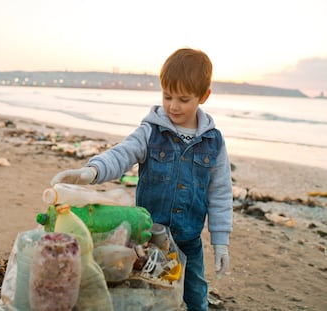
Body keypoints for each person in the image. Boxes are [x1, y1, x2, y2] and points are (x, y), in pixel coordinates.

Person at [50, 48, 233, 310]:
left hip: (189, 239)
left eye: (183, 99)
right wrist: (90, 172)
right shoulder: (150, 132)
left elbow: (221, 193)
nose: (173, 105)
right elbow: (121, 154)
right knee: (148, 294)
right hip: (147, 238)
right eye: (167, 96)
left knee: (195, 296)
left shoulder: (214, 142)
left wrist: (221, 241)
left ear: (203, 96)